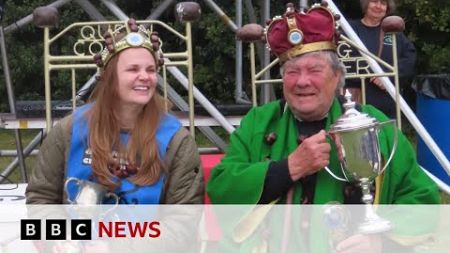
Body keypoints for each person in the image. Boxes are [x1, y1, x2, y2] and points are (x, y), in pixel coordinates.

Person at [206, 2, 439, 252]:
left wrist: (382, 240)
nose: (302, 81)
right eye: (292, 72)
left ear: (337, 77)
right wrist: (289, 168)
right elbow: (222, 188)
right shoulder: (259, 122)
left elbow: (422, 200)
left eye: (315, 69)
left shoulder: (372, 124)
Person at [26, 19, 204, 204]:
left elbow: (184, 217)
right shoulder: (69, 130)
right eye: (133, 69)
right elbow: (41, 198)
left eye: (150, 70)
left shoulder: (176, 140)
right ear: (111, 77)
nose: (145, 77)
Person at [345, 0, 417, 118]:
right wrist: (375, 73)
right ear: (366, 4)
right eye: (374, 1)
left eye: (383, 3)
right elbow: (346, 59)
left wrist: (387, 74)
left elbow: (410, 57)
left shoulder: (392, 32)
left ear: (387, 8)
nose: (378, 6)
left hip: (388, 101)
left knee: (389, 135)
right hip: (359, 102)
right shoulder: (350, 29)